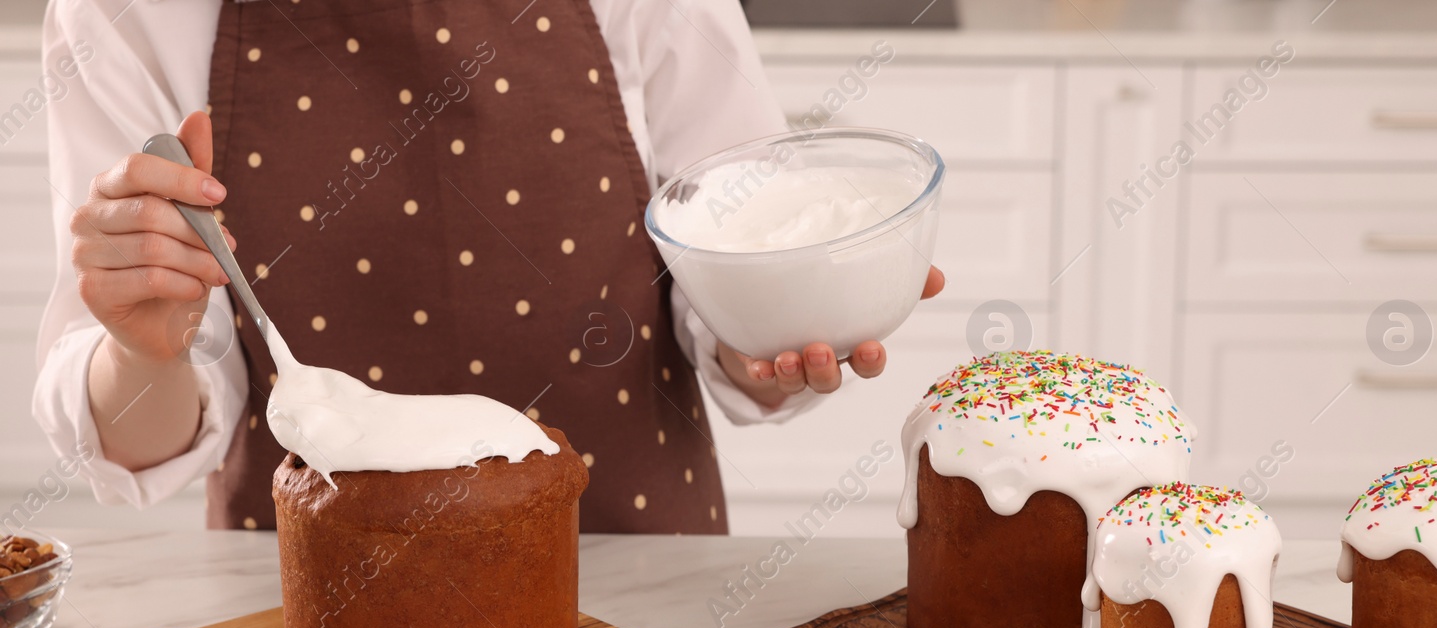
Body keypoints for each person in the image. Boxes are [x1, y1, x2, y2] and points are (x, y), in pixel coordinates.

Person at [34, 0, 943, 532]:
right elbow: (138, 438)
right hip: (300, 613)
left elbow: (740, 247)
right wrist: (146, 347)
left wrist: (770, 338)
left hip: (634, 585)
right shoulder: (126, 14)